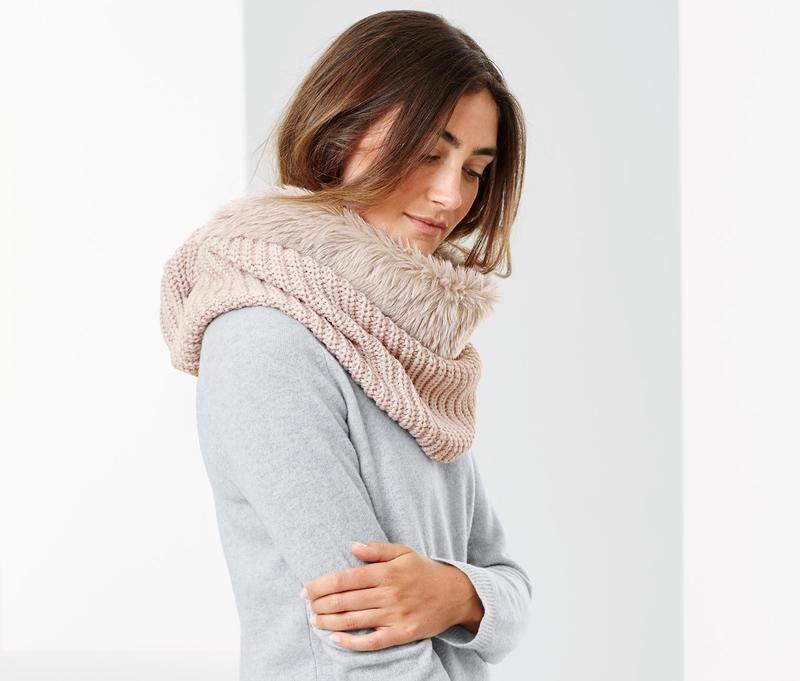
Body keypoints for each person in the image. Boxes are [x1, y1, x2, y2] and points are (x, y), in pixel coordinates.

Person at [159, 9, 531, 680]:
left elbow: (509, 586)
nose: (451, 195)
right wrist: (466, 598)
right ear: (341, 130)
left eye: (475, 170)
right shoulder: (265, 339)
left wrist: (455, 592)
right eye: (428, 153)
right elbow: (369, 643)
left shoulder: (410, 347)